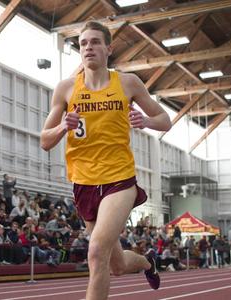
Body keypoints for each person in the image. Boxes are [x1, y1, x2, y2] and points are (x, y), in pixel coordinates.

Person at [40, 21, 171, 298]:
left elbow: (165, 120)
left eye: (95, 42)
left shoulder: (127, 83)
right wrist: (63, 126)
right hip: (84, 182)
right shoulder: (65, 89)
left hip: (119, 180)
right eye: (84, 42)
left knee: (96, 251)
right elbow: (45, 141)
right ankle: (148, 261)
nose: (89, 47)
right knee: (117, 265)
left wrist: (146, 120)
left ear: (108, 48)